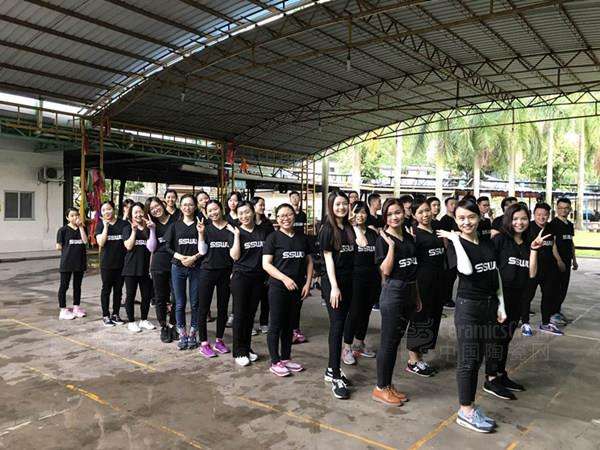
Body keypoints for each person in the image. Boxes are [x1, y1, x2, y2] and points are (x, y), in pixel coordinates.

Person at [437, 199, 506, 433]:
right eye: (461, 218)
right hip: (469, 308)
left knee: (477, 359)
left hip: (489, 305)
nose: (466, 222)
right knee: (468, 359)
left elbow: (495, 274)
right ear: (455, 220)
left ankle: (470, 407)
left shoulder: (487, 243)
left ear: (479, 217)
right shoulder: (455, 245)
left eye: (471, 217)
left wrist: (501, 305)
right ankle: (465, 412)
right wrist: (456, 240)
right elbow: (466, 270)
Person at [484, 203, 545, 400]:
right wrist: (495, 302)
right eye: (515, 219)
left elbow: (532, 273)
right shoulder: (500, 240)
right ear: (508, 220)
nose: (520, 222)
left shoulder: (528, 242)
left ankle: (501, 374)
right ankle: (490, 378)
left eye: (524, 219)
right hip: (500, 299)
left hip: (518, 298)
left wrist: (534, 250)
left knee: (506, 338)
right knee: (496, 338)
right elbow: (490, 270)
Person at [372, 198, 420, 407]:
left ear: (404, 213)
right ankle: (380, 387)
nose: (394, 217)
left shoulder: (408, 237)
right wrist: (391, 247)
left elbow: (413, 268)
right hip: (393, 292)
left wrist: (416, 296)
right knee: (388, 342)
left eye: (397, 212)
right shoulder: (383, 240)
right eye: (390, 214)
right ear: (385, 217)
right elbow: (385, 270)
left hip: (409, 290)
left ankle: (388, 385)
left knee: (395, 342)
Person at [262, 203, 313, 377]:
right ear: (277, 219)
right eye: (282, 215)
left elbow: (309, 261)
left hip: (297, 288)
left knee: (289, 325)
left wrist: (308, 283)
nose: (286, 218)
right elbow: (266, 264)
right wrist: (284, 279)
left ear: (294, 216)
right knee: (276, 324)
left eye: (289, 214)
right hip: (278, 288)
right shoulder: (273, 238)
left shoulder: (302, 238)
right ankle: (275, 361)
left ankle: (285, 358)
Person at [319, 191, 356, 400]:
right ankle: (334, 375)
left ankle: (331, 369)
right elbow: (328, 259)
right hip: (334, 283)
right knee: (337, 326)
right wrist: (334, 287)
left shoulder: (348, 227)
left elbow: (360, 245)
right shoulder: (327, 229)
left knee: (342, 324)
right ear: (331, 206)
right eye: (337, 204)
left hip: (349, 281)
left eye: (344, 204)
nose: (341, 207)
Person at [405, 198, 446, 377]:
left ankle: (420, 358)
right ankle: (412, 360)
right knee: (419, 319)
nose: (425, 214)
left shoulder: (436, 230)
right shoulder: (414, 234)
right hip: (421, 284)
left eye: (427, 210)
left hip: (437, 283)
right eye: (420, 212)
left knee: (431, 319)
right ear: (414, 215)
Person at [229, 201, 268, 366]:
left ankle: (246, 348)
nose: (244, 216)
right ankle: (238, 352)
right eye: (240, 213)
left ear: (253, 212)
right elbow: (235, 256)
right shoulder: (235, 231)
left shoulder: (263, 231)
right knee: (240, 314)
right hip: (241, 278)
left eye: (247, 212)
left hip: (258, 278)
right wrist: (237, 236)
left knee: (250, 315)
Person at [342, 201, 378, 363]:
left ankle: (359, 343)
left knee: (366, 312)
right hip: (354, 278)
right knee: (354, 312)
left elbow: (377, 258)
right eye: (357, 212)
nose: (360, 215)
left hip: (372, 278)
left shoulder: (372, 233)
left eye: (363, 212)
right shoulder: (348, 232)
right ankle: (347, 347)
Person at [521, 203, 565, 336]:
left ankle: (545, 323)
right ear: (534, 215)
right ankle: (525, 323)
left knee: (548, 296)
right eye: (539, 214)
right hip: (532, 269)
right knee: (527, 296)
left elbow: (552, 244)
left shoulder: (551, 227)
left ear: (549, 215)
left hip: (549, 268)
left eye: (545, 215)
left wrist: (559, 260)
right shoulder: (528, 227)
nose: (542, 217)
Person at [164, 194, 202, 349]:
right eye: (185, 204)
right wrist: (180, 257)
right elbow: (167, 246)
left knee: (195, 303)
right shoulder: (174, 225)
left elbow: (205, 246)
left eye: (191, 204)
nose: (188, 207)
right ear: (180, 206)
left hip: (196, 267)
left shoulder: (200, 224)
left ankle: (193, 333)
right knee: (179, 303)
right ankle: (182, 334)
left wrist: (194, 258)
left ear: (195, 206)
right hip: (178, 267)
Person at [197, 200, 233, 357]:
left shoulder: (231, 228)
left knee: (223, 308)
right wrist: (201, 234)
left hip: (226, 272)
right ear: (206, 213)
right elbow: (202, 251)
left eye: (215, 209)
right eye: (209, 211)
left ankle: (219, 340)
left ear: (221, 209)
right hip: (207, 271)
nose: (213, 213)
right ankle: (204, 343)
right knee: (203, 308)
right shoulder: (205, 228)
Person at [145, 197, 177, 343]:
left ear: (162, 205)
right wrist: (152, 230)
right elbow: (152, 248)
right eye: (152, 209)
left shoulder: (175, 220)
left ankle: (173, 324)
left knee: (177, 297)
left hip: (175, 263)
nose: (155, 210)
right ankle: (163, 326)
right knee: (160, 298)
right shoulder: (151, 224)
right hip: (158, 265)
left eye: (157, 206)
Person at [122, 202, 154, 333]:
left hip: (146, 268)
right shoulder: (127, 228)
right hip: (131, 268)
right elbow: (128, 246)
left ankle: (144, 320)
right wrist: (134, 231)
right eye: (135, 212)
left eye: (140, 211)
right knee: (130, 296)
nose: (138, 214)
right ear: (131, 215)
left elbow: (153, 248)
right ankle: (131, 322)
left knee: (146, 296)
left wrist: (152, 229)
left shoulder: (148, 228)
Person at [96, 201, 126, 326]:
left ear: (114, 209)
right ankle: (105, 315)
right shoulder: (100, 225)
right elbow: (101, 243)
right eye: (103, 210)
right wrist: (106, 227)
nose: (106, 212)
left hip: (121, 263)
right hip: (106, 264)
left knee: (118, 290)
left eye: (109, 209)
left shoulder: (123, 224)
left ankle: (115, 314)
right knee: (106, 289)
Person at [56, 207, 88, 320]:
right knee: (64, 286)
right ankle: (63, 309)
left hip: (79, 262)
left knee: (77, 286)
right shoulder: (63, 230)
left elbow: (85, 241)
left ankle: (76, 307)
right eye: (72, 215)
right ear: (67, 217)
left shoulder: (83, 228)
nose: (75, 217)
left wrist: (81, 227)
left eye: (77, 215)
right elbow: (58, 246)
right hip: (67, 262)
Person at [550, 197, 578, 325]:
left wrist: (574, 260)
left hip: (567, 261)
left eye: (566, 208)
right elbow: (553, 243)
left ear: (570, 209)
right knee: (556, 288)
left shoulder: (569, 225)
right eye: (560, 208)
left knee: (563, 288)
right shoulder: (553, 224)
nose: (563, 210)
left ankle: (557, 311)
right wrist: (558, 260)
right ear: (557, 208)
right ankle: (552, 314)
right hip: (556, 262)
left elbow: (571, 243)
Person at [252, 196, 274, 334]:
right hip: (251, 265)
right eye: (260, 204)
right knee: (252, 298)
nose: (263, 207)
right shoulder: (248, 223)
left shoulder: (268, 224)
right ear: (253, 206)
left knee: (266, 296)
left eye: (263, 204)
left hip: (266, 265)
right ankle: (250, 324)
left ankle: (264, 323)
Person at [439, 196, 459, 309]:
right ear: (446, 206)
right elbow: (444, 237)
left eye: (455, 204)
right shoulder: (444, 220)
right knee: (449, 276)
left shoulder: (456, 218)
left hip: (457, 250)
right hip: (450, 251)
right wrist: (447, 251)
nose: (454, 206)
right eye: (451, 204)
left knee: (453, 276)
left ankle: (448, 297)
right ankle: (446, 299)